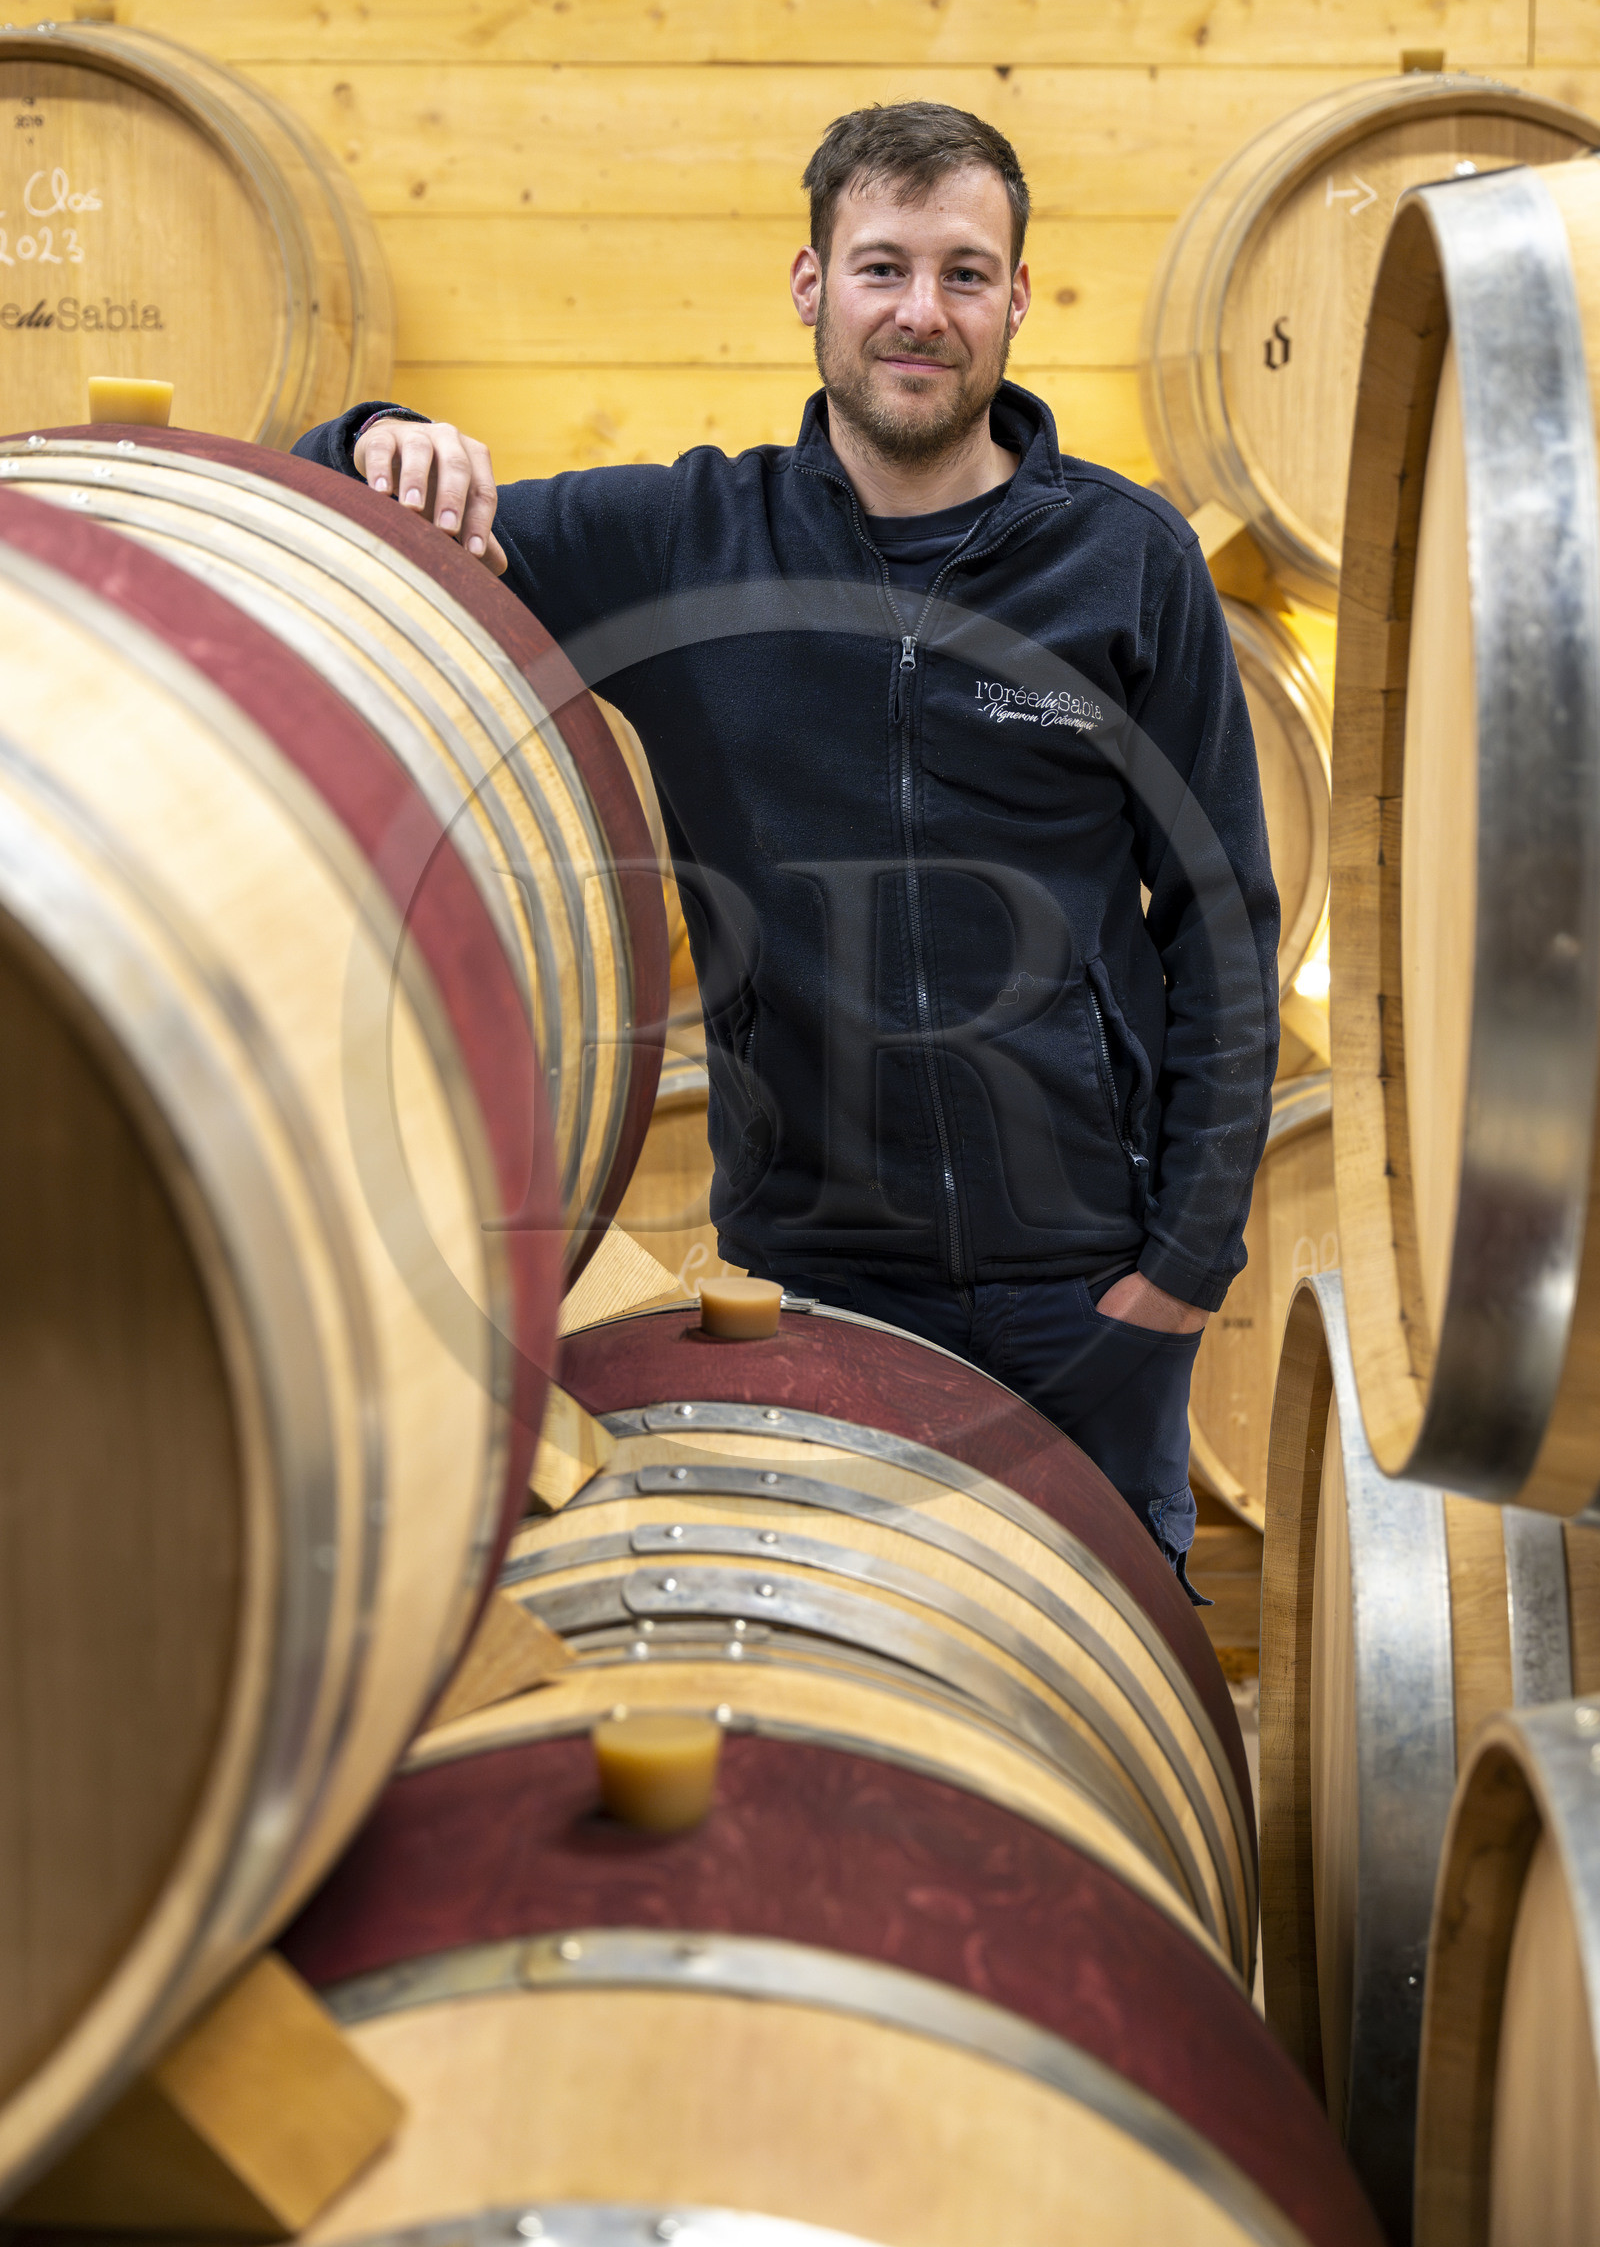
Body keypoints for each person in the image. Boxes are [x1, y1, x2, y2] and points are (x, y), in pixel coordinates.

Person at [295, 100, 1279, 1593]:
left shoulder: (1127, 561)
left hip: (1085, 1276)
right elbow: (354, 511)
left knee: (1103, 1672)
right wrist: (375, 433)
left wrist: (1184, 1268)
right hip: (818, 1279)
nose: (921, 313)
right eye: (882, 267)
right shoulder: (685, 542)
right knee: (843, 1658)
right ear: (811, 286)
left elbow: (1222, 926)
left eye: (964, 273)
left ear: (1018, 300)